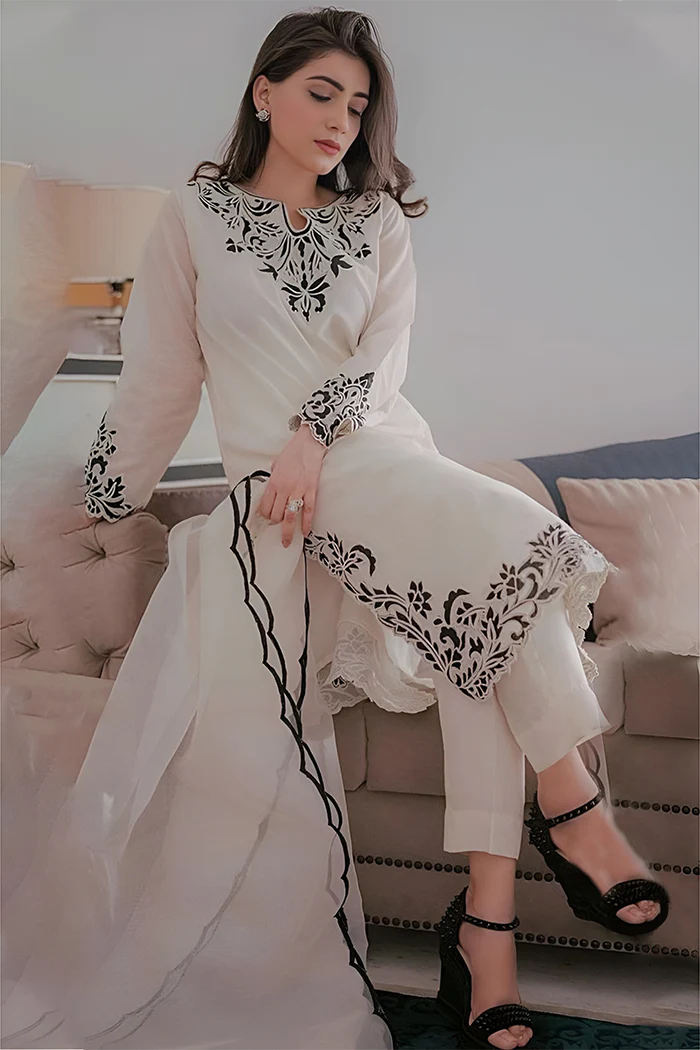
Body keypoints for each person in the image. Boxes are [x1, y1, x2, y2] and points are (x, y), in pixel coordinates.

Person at [2, 9, 670, 1050]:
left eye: (357, 107)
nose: (340, 122)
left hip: (377, 456)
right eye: (322, 94)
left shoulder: (377, 222)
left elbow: (383, 362)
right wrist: (101, 492)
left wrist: (314, 434)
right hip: (278, 498)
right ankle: (560, 825)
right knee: (499, 575)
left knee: (491, 588)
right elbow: (159, 381)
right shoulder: (194, 217)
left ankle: (496, 920)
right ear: (263, 91)